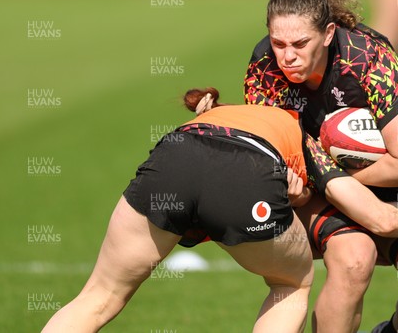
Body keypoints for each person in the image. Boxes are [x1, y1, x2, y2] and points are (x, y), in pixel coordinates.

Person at [244, 0, 398, 333]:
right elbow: (280, 156)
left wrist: (343, 171)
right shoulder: (264, 66)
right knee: (354, 258)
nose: (287, 56)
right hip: (317, 189)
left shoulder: (367, 56)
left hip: (382, 178)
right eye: (278, 43)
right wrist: (302, 181)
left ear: (327, 34)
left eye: (300, 43)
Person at [42, 88, 315, 332]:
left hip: (174, 159)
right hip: (243, 173)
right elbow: (309, 192)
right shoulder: (299, 130)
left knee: (100, 295)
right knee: (290, 284)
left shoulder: (227, 114)